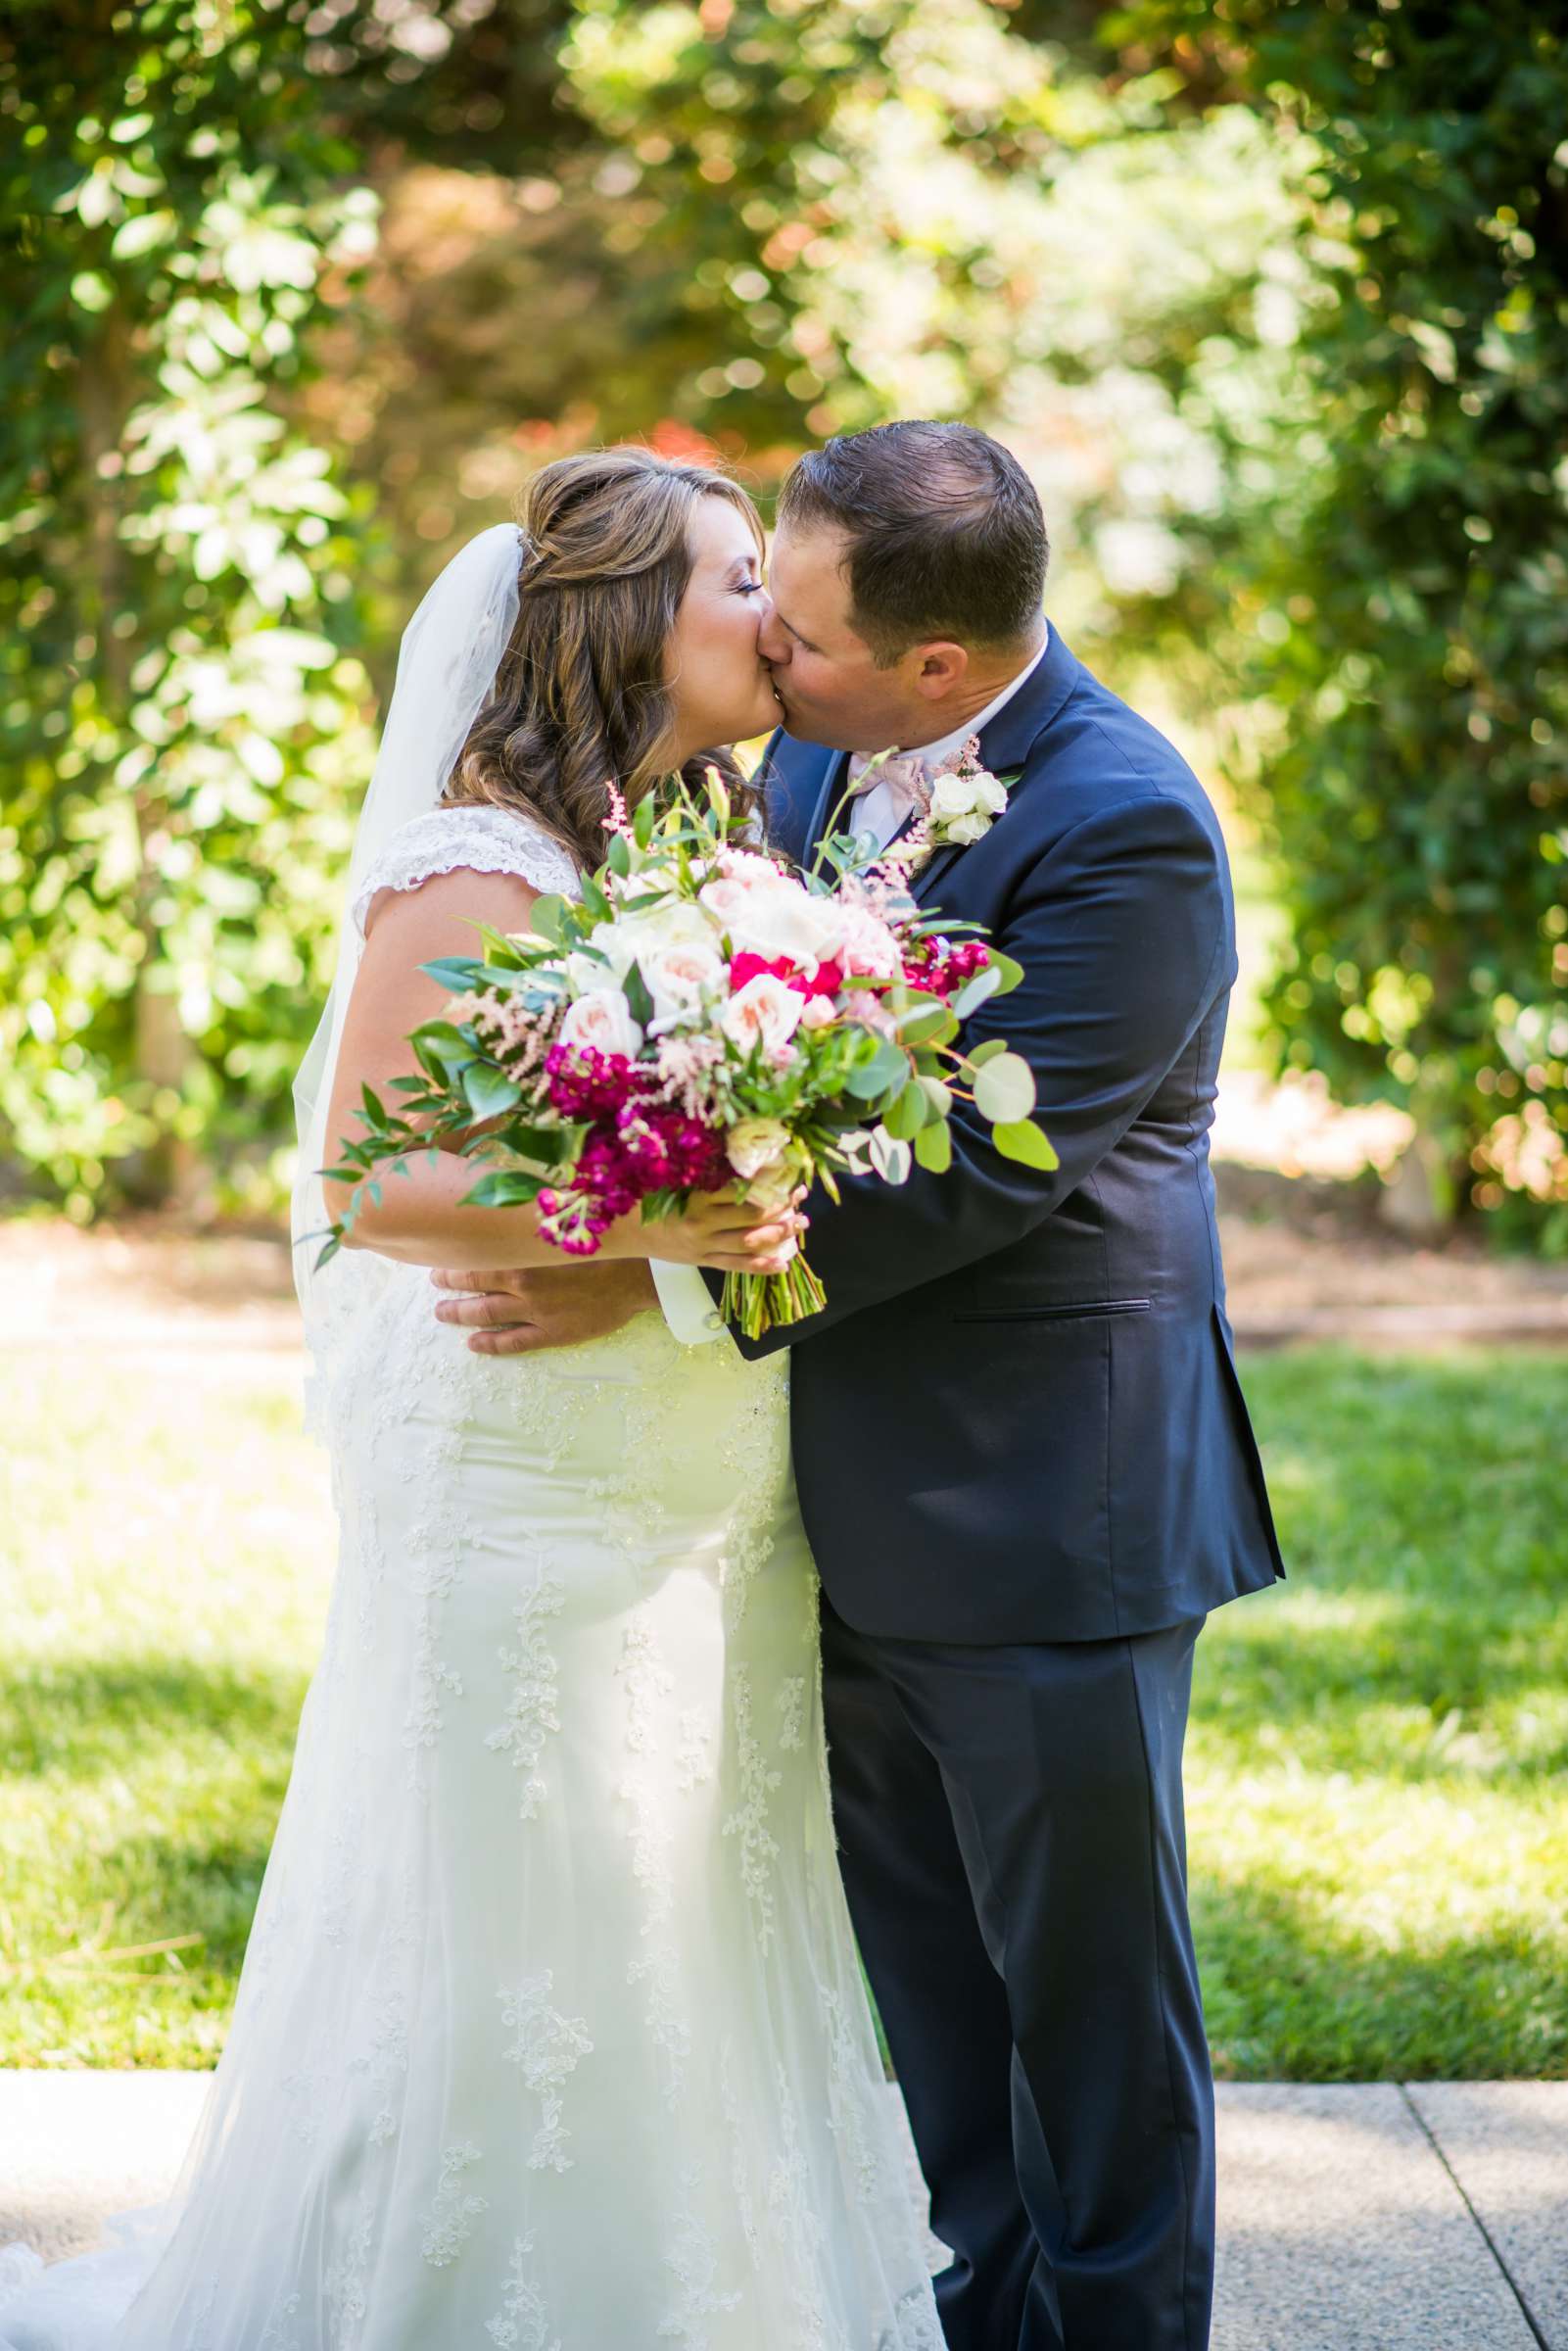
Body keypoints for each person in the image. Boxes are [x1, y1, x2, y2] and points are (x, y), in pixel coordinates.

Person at [0, 450, 943, 2350]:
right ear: (620, 619)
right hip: (541, 1477)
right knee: (537, 1903)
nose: (775, 615)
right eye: (737, 577)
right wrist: (665, 1220)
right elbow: (377, 1186)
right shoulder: (476, 865)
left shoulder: (700, 853)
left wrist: (713, 1196)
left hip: (697, 1484)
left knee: (698, 1900)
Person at [433, 421, 1286, 2351]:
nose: (763, 656)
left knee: (1090, 2027)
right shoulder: (809, 753)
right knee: (936, 2018)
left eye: (798, 632)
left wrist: (648, 1284)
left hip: (1047, 1517)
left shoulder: (1124, 825)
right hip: (843, 1513)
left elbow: (981, 1171)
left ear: (937, 667)